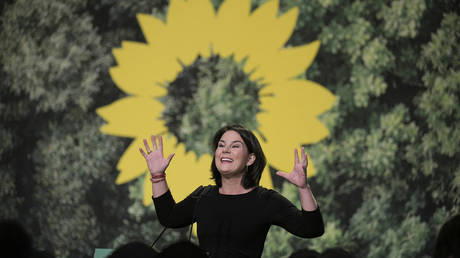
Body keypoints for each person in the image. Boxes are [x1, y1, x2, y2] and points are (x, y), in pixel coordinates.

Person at [139, 124, 324, 258]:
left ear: (250, 159)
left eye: (235, 146)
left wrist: (303, 187)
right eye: (221, 145)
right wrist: (157, 176)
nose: (225, 150)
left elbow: (312, 229)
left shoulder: (266, 200)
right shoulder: (203, 196)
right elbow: (170, 217)